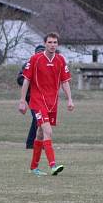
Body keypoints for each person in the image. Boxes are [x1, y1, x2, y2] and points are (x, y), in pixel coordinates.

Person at [18, 32, 74, 176]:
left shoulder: (60, 60)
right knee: (48, 131)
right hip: (37, 101)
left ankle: (33, 168)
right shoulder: (35, 59)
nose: (52, 45)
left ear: (57, 44)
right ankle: (53, 165)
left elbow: (64, 82)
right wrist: (22, 100)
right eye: (50, 42)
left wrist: (69, 99)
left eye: (55, 42)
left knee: (40, 134)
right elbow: (26, 81)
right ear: (45, 44)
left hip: (52, 102)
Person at [17, 43, 46, 149]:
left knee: (40, 119)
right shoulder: (28, 64)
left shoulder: (48, 65)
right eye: (38, 53)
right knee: (38, 118)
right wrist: (30, 80)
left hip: (43, 97)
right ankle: (32, 144)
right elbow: (20, 79)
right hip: (31, 97)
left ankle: (35, 143)